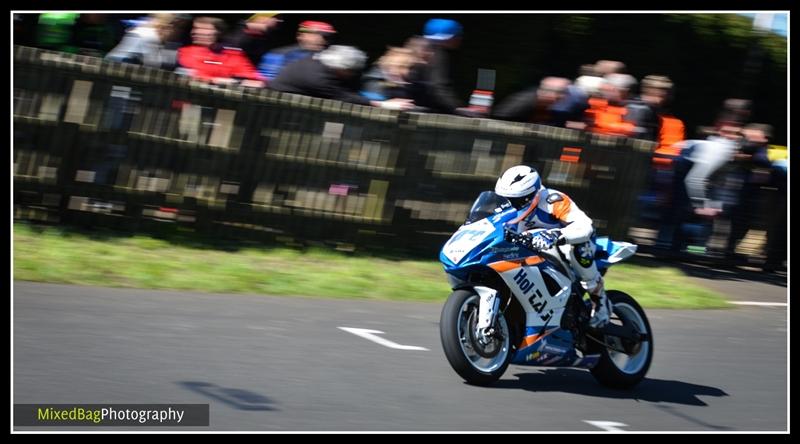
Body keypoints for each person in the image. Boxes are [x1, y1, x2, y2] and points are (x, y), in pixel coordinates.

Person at [495, 165, 612, 328]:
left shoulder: (554, 200)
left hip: (572, 242)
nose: (511, 204)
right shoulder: (507, 210)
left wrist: (557, 235)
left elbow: (586, 226)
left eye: (516, 200)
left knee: (577, 250)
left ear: (533, 194)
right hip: (536, 249)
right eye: (506, 198)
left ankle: (600, 303)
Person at [258, 20, 336, 81]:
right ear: (301, 35)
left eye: (327, 37)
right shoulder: (278, 54)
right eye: (319, 35)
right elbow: (267, 80)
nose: (323, 40)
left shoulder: (329, 59)